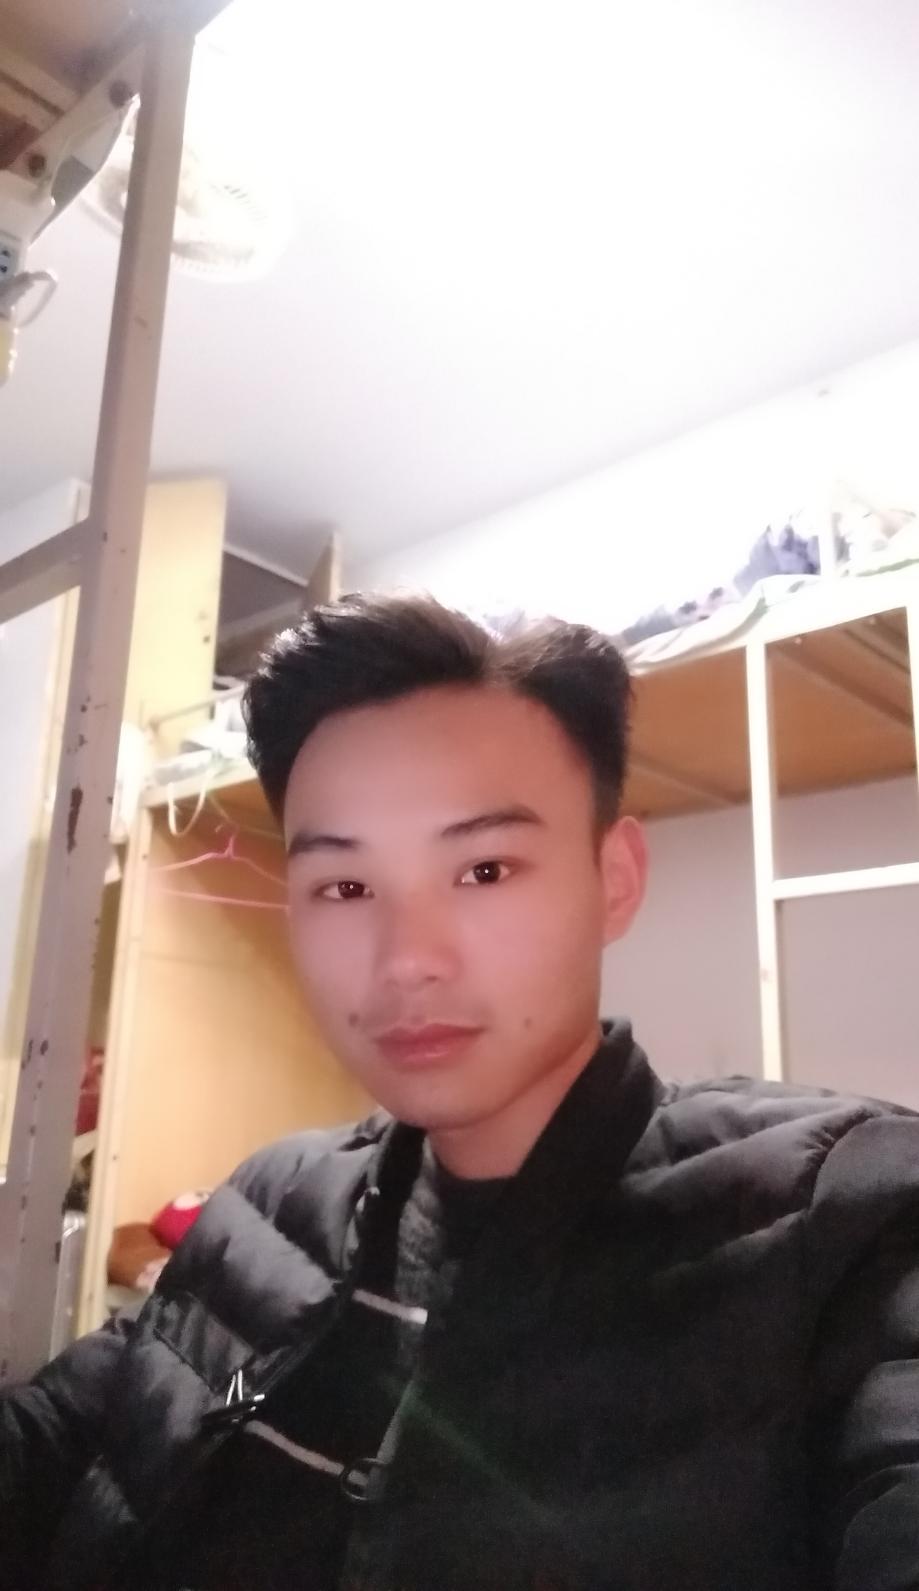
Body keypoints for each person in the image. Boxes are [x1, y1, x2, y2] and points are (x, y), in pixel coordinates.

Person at [2, 593, 918, 1591]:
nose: (407, 959)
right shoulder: (265, 1202)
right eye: (346, 887)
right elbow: (50, 1439)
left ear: (614, 878)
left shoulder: (844, 1223)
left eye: (483, 869)